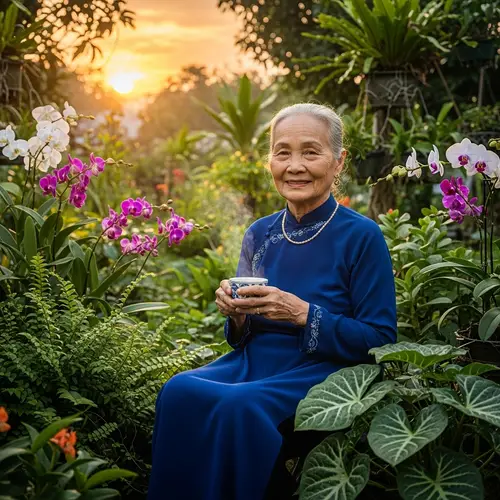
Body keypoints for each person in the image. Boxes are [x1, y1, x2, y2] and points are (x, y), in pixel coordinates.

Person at [148, 103, 397, 500]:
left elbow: (381, 339)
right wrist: (237, 313)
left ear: (338, 161)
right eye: (282, 152)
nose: (294, 165)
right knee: (178, 391)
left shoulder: (362, 237)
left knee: (238, 407)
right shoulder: (259, 233)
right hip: (252, 363)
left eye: (310, 152)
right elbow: (239, 337)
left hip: (318, 372)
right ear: (270, 162)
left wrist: (303, 314)